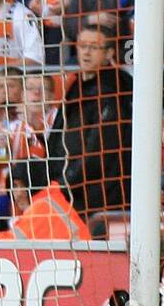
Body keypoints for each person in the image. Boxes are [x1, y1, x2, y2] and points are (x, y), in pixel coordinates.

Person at [47, 23, 132, 222]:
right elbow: (58, 135)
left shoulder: (114, 89)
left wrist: (63, 182)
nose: (86, 52)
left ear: (109, 52)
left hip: (97, 195)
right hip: (70, 186)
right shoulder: (76, 85)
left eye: (93, 47)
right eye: (82, 45)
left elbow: (98, 153)